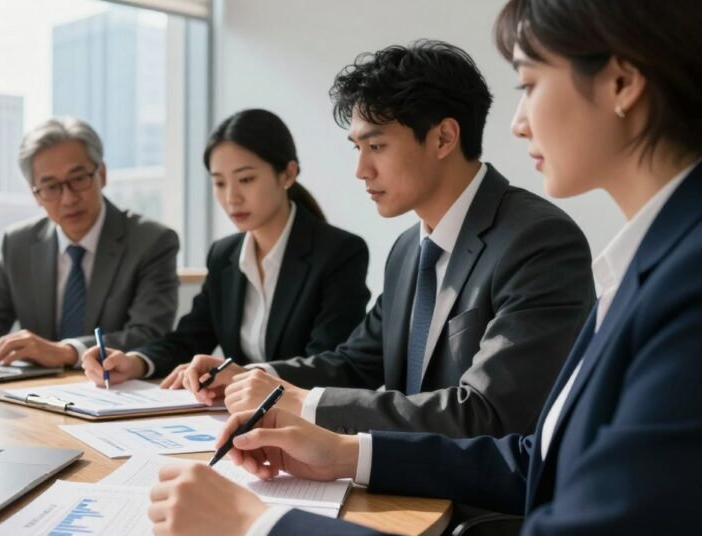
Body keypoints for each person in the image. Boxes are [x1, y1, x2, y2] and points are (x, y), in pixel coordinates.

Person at [148, 0, 702, 536]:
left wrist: (256, 531)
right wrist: (341, 450)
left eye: (530, 84)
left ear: (621, 82)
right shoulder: (417, 250)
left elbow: (501, 437)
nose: (518, 122)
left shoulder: (570, 247)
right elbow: (534, 458)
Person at [181, 40, 595, 439]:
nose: (361, 170)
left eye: (376, 146)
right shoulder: (407, 251)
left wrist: (303, 403)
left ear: (443, 138)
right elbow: (356, 363)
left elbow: (488, 414)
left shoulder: (537, 241)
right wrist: (256, 377)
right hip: (399, 483)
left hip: (481, 506)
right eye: (357, 148)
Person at [82, 109, 370, 387]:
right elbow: (190, 339)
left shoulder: (340, 253)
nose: (231, 198)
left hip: (302, 421)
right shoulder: (224, 255)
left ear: (287, 174)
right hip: (237, 416)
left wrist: (241, 376)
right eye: (219, 183)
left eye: (246, 179)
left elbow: (327, 364)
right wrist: (135, 362)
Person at [0, 117, 180, 368]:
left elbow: (149, 334)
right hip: (32, 393)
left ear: (102, 175)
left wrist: (68, 352)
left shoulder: (152, 241)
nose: (68, 198)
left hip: (116, 392)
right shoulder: (17, 243)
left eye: (78, 179)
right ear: (36, 195)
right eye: (51, 186)